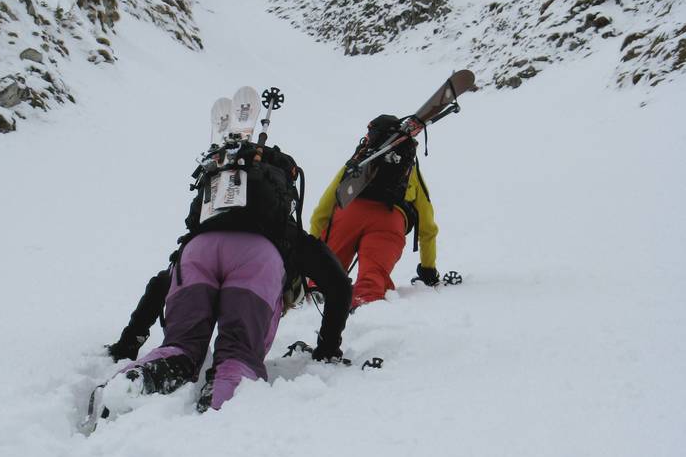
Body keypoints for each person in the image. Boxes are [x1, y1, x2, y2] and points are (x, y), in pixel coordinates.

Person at [104, 142, 352, 413]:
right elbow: (339, 285)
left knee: (181, 347)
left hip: (196, 252)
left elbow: (161, 283)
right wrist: (328, 349)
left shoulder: (209, 222)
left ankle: (137, 379)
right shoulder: (287, 233)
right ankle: (217, 410)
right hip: (259, 259)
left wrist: (128, 341)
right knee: (238, 356)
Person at [309, 114, 439, 308]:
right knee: (372, 282)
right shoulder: (408, 170)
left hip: (348, 216)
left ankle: (317, 294)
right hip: (389, 221)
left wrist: (311, 256)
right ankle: (365, 307)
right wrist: (428, 270)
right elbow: (427, 228)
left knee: (325, 275)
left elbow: (321, 213)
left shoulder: (357, 164)